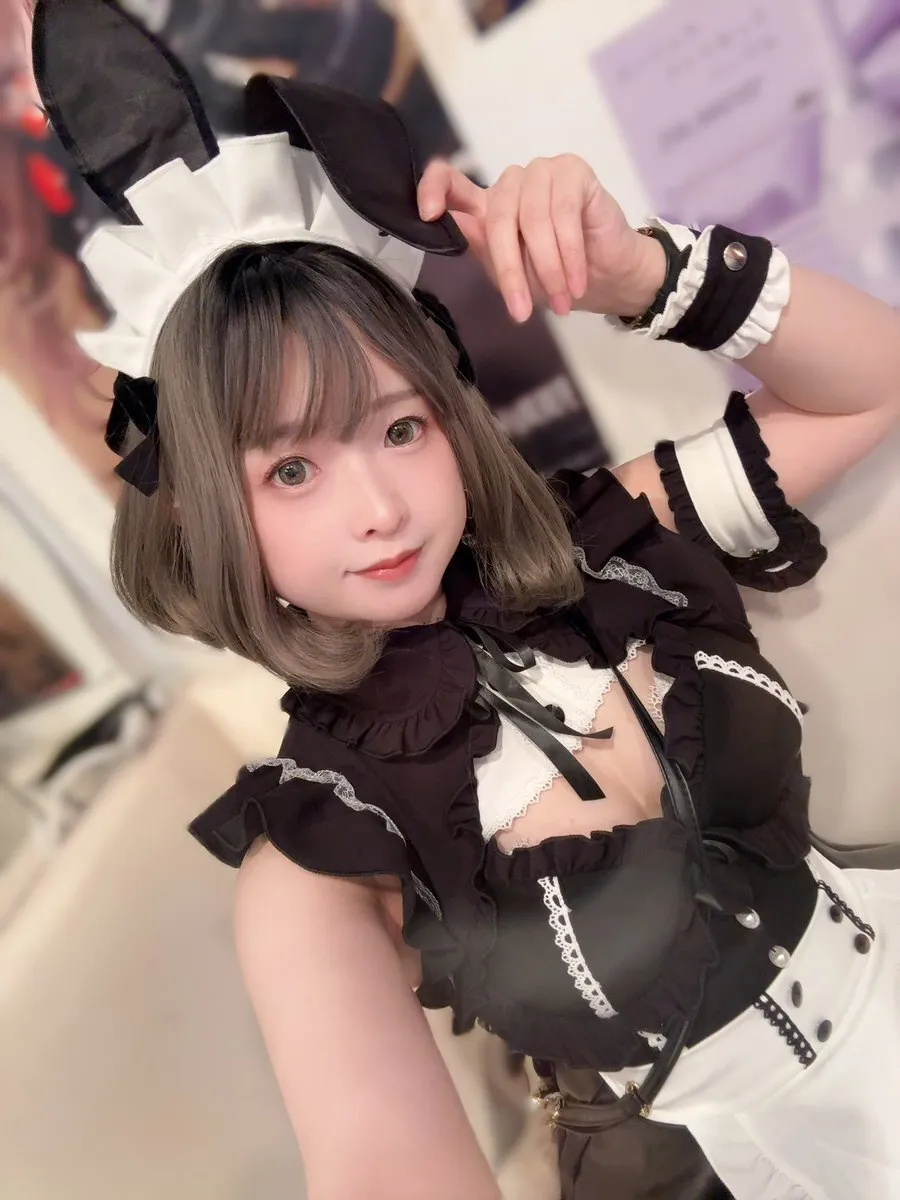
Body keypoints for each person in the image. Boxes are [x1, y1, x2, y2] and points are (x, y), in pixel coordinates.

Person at [32, 2, 900, 1197]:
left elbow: (871, 385)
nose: (379, 508)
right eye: (292, 470)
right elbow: (384, 1167)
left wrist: (638, 272)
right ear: (200, 514)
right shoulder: (318, 855)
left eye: (398, 427)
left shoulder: (613, 543)